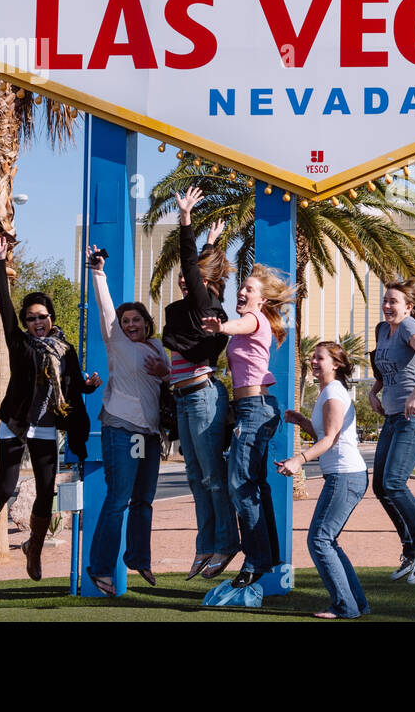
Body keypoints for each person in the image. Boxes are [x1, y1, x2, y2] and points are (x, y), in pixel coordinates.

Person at [0, 236, 97, 586]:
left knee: (46, 488)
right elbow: (4, 308)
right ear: (25, 322)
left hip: (46, 427)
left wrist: (88, 385)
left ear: (51, 318)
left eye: (42, 317)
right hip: (16, 423)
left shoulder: (65, 349)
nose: (37, 322)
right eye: (31, 318)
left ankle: (33, 548)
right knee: (4, 489)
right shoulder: (19, 342)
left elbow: (73, 385)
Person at [161, 186, 240, 581]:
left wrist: (187, 220)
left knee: (211, 475)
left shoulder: (205, 306)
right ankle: (205, 545)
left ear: (202, 280)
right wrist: (213, 241)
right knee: (195, 477)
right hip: (183, 398)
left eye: (187, 277)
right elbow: (197, 267)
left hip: (203, 396)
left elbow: (191, 264)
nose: (182, 280)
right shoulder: (195, 308)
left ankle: (226, 542)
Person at [201, 264, 294, 591]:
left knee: (240, 482)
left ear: (263, 300)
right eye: (241, 287)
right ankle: (268, 555)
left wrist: (222, 327)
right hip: (250, 408)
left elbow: (241, 323)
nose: (242, 292)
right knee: (254, 484)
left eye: (249, 290)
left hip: (255, 408)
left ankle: (255, 560)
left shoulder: (255, 320)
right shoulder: (255, 322)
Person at [84, 245, 171, 595]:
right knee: (118, 499)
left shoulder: (157, 347)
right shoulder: (116, 342)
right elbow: (106, 309)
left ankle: (139, 558)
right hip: (121, 428)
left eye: (136, 320)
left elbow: (170, 382)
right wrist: (98, 272)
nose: (130, 324)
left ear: (147, 323)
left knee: (144, 500)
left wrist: (165, 373)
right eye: (126, 321)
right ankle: (101, 568)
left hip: (150, 434)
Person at [277, 342, 369, 619]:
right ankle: (357, 604)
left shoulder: (333, 394)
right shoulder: (328, 393)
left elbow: (331, 439)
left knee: (319, 540)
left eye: (320, 358)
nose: (314, 362)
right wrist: (302, 421)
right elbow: (325, 432)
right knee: (327, 540)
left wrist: (298, 460)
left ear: (336, 364)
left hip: (345, 475)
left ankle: (346, 606)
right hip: (344, 475)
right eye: (312, 358)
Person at [368, 278, 415, 585]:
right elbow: (386, 370)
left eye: (393, 302)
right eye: (385, 300)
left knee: (395, 483)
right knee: (380, 487)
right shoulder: (382, 331)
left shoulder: (410, 327)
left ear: (408, 307)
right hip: (393, 417)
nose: (387, 306)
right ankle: (411, 550)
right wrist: (374, 392)